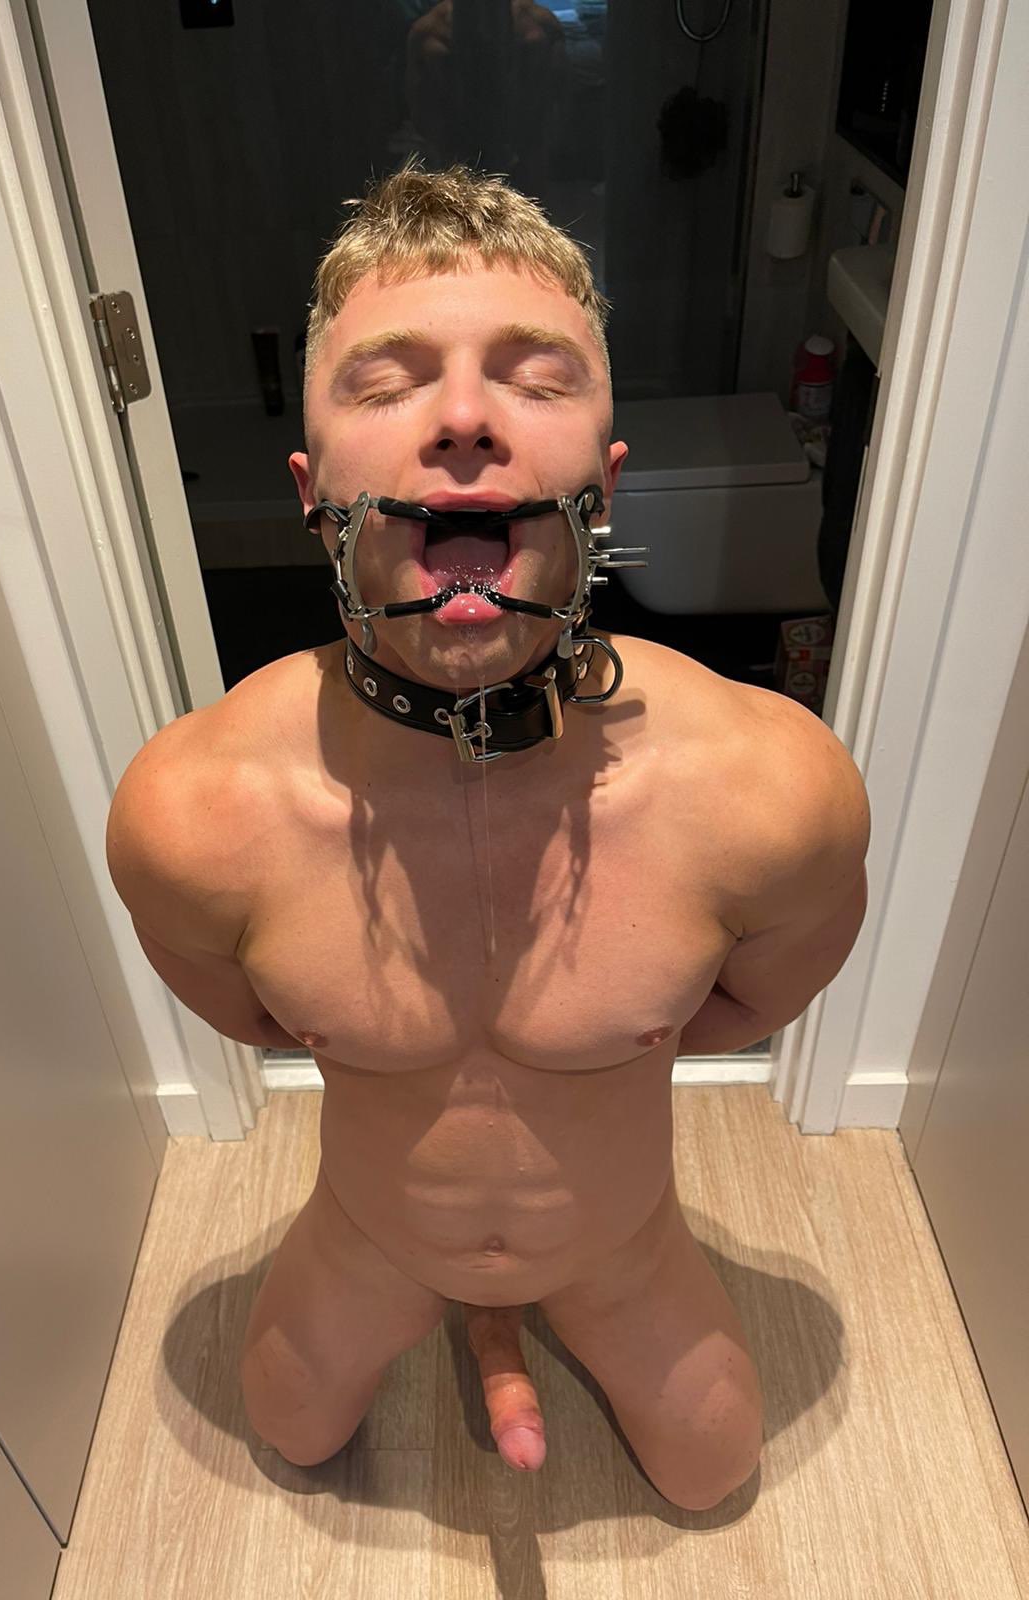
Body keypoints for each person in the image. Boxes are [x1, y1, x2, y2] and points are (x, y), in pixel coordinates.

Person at [105, 160, 870, 1507]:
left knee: (713, 1473)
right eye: (387, 382)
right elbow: (260, 1020)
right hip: (373, 1237)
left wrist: (612, 1028)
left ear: (605, 482)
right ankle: (477, 1320)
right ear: (309, 489)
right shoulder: (190, 814)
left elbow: (745, 1007)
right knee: (289, 1429)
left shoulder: (773, 789)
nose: (464, 418)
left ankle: (521, 1316)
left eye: (534, 377)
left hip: (619, 1242)